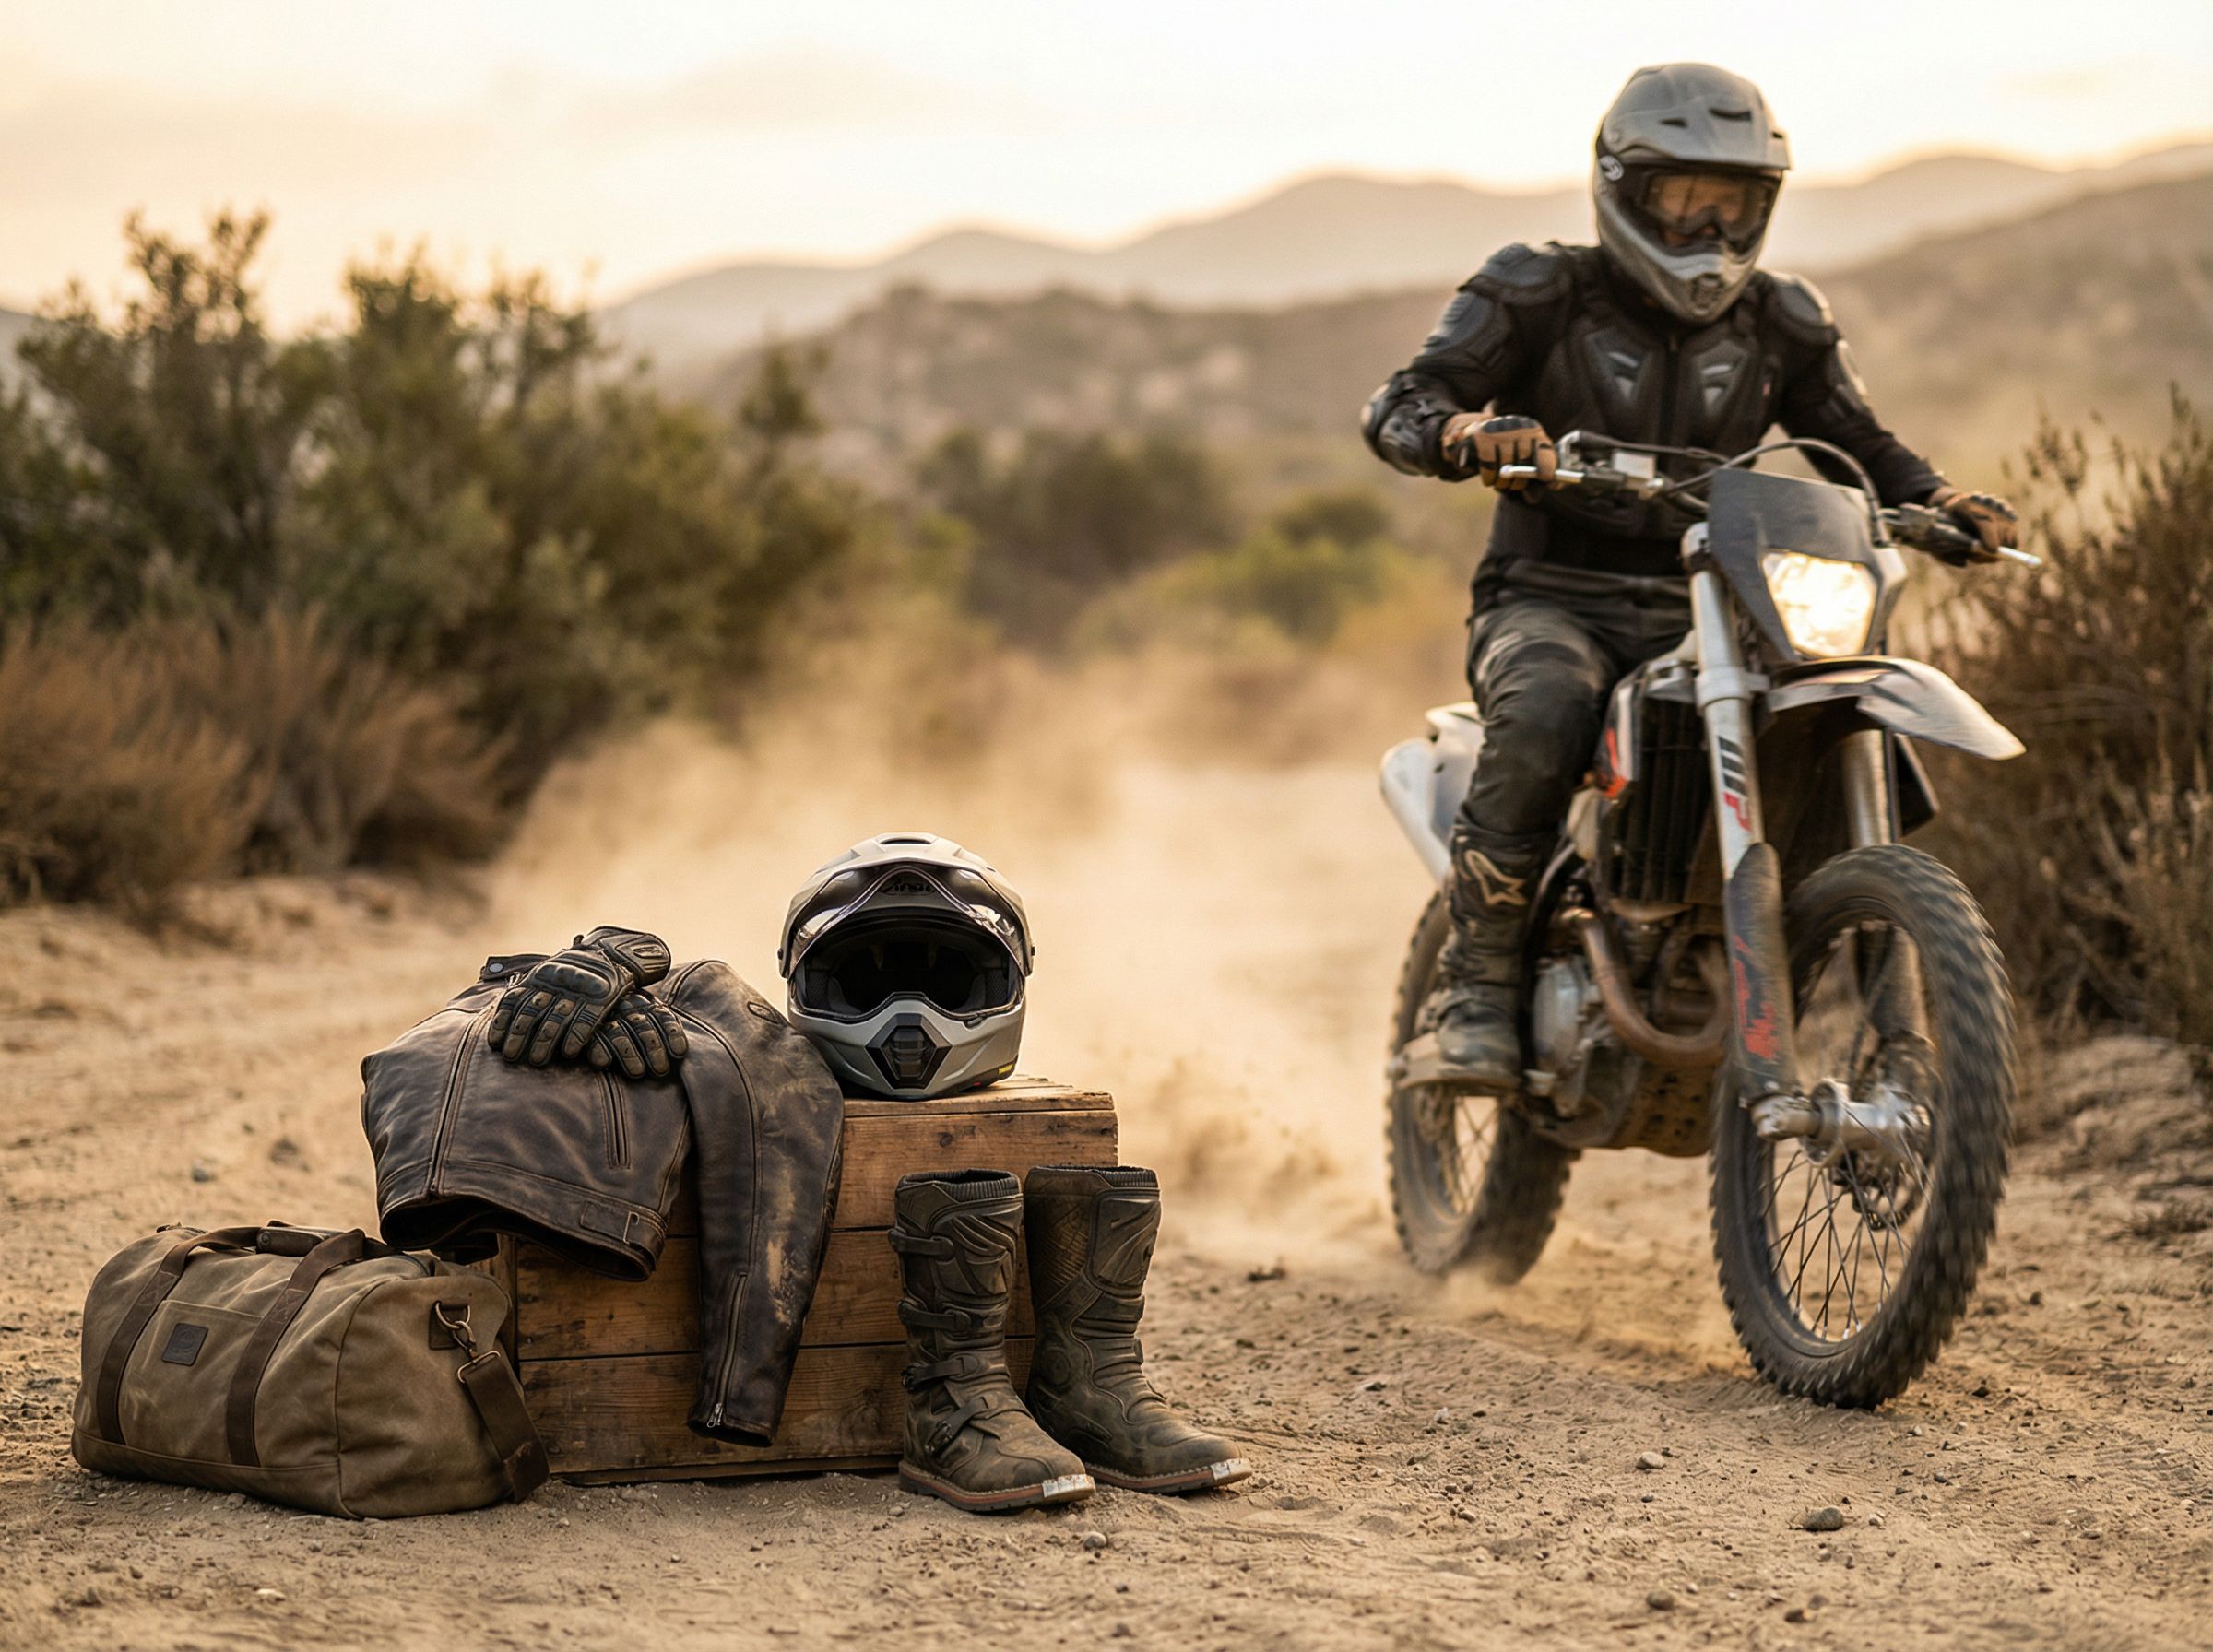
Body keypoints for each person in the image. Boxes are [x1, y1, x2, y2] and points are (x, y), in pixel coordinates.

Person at [1362, 62, 2018, 1087]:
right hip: (1551, 598)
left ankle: (1834, 966)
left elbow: (1859, 443)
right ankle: (1478, 992)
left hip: (1714, 600)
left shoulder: (1782, 320)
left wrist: (1938, 503)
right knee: (1545, 706)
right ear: (1623, 186)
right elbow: (1404, 400)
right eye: (1683, 199)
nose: (1708, 228)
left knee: (1829, 709)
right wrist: (1462, 431)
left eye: (1733, 204)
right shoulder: (1538, 288)